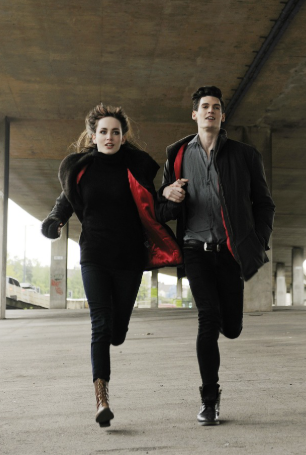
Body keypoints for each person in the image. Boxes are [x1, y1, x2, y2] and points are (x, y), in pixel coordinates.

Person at [41, 104, 182, 428]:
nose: (109, 137)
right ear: (93, 136)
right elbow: (64, 202)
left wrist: (171, 199)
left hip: (129, 259)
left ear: (122, 137)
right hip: (94, 255)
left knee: (116, 332)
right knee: (100, 325)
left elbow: (154, 206)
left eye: (115, 132)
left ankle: (114, 342)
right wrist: (54, 221)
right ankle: (101, 398)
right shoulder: (80, 170)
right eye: (103, 131)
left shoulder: (136, 168)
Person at [159, 86, 275, 425]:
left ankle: (228, 321)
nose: (210, 111)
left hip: (229, 252)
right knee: (207, 319)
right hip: (194, 249)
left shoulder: (245, 155)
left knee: (232, 328)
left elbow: (264, 204)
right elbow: (161, 208)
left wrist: (257, 241)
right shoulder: (177, 154)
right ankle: (209, 399)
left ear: (223, 116)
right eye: (204, 106)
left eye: (216, 107)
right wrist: (167, 194)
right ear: (194, 114)